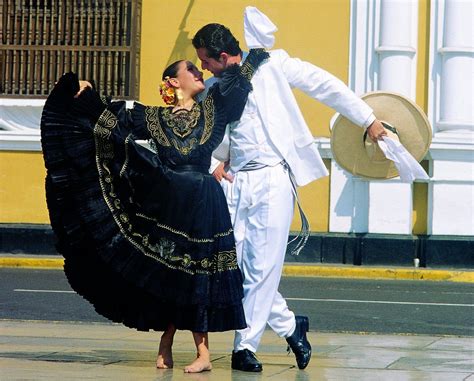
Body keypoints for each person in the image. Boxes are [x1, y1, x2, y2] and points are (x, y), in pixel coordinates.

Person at [40, 51, 268, 373]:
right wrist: (87, 96)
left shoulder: (211, 110)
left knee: (199, 275)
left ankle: (203, 354)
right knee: (171, 273)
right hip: (170, 199)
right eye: (190, 68)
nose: (198, 71)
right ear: (174, 81)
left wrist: (252, 60)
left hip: (205, 202)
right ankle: (166, 342)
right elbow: (109, 122)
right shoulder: (153, 117)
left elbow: (235, 90)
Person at [191, 7, 387, 372]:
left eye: (206, 62)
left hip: (272, 178)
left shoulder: (272, 65)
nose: (203, 70)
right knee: (232, 268)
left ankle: (243, 347)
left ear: (222, 55)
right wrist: (212, 164)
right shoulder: (216, 91)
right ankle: (291, 325)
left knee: (263, 268)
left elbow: (324, 84)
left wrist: (369, 119)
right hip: (235, 181)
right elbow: (202, 139)